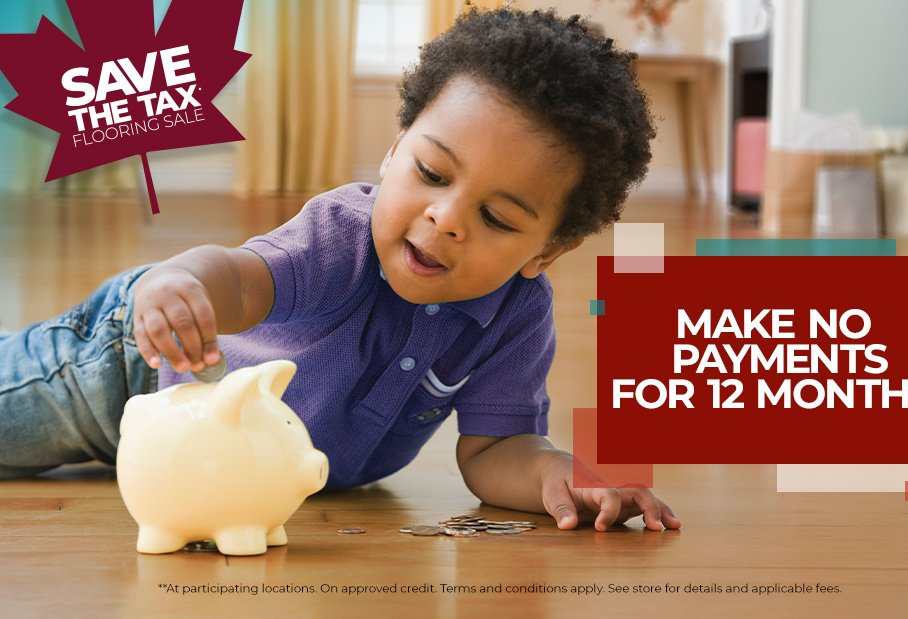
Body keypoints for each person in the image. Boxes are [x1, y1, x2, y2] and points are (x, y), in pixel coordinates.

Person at [0, 8, 680, 532]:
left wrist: (559, 473)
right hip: (131, 367)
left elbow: (494, 449)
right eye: (431, 172)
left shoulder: (517, 313)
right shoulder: (341, 236)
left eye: (498, 218)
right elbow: (238, 280)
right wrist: (179, 282)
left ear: (544, 252)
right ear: (392, 153)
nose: (445, 218)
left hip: (224, 472)